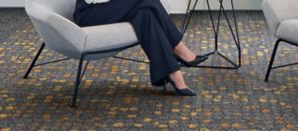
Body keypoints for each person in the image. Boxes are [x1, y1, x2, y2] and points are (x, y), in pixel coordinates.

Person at [74, 0, 207, 96]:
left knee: (145, 14)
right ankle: (178, 49)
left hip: (110, 6)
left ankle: (171, 71)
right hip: (90, 12)